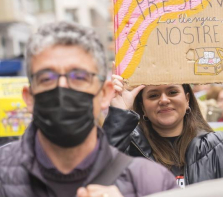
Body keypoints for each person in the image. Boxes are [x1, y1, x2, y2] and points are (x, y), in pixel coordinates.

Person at [0, 22, 177, 197]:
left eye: (79, 77)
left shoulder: (153, 183)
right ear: (29, 98)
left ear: (105, 93)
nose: (63, 87)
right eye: (47, 78)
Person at [103, 46, 223, 187]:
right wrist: (119, 114)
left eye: (172, 92)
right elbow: (100, 174)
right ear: (142, 106)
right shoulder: (128, 152)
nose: (164, 100)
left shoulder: (222, 146)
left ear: (187, 100)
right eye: (153, 95)